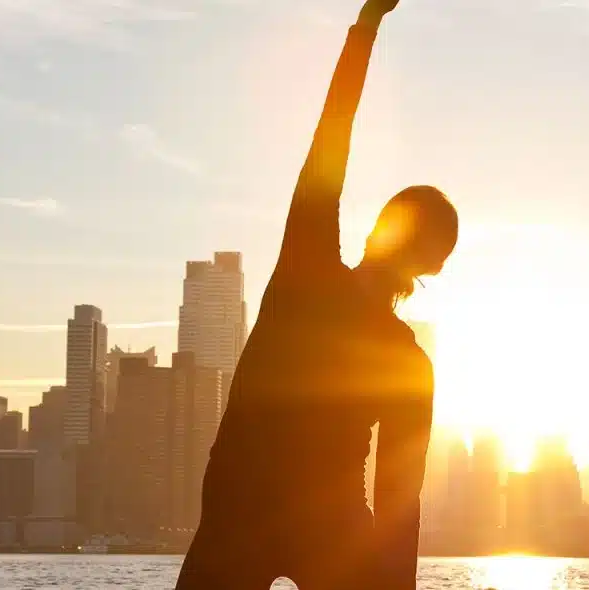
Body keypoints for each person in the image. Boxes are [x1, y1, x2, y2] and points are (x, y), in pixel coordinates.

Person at [174, 0, 457, 588]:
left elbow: (333, 132)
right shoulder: (409, 362)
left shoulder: (307, 266)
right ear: (434, 266)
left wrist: (368, 24)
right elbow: (400, 512)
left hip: (239, 513)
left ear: (380, 227)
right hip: (323, 529)